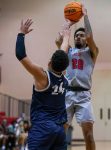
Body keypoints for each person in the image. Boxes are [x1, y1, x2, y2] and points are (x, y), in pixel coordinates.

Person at [15, 19, 71, 150]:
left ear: (49, 63)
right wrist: (67, 35)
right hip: (59, 131)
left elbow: (20, 55)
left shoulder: (43, 76)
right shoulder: (65, 77)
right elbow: (64, 50)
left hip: (42, 129)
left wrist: (21, 34)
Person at [56, 4, 99, 150]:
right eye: (76, 35)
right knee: (60, 133)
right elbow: (58, 39)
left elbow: (89, 35)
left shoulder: (92, 52)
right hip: (67, 94)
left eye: (81, 35)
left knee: (89, 136)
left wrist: (85, 16)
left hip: (83, 96)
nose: (79, 37)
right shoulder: (68, 51)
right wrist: (69, 23)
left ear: (85, 40)